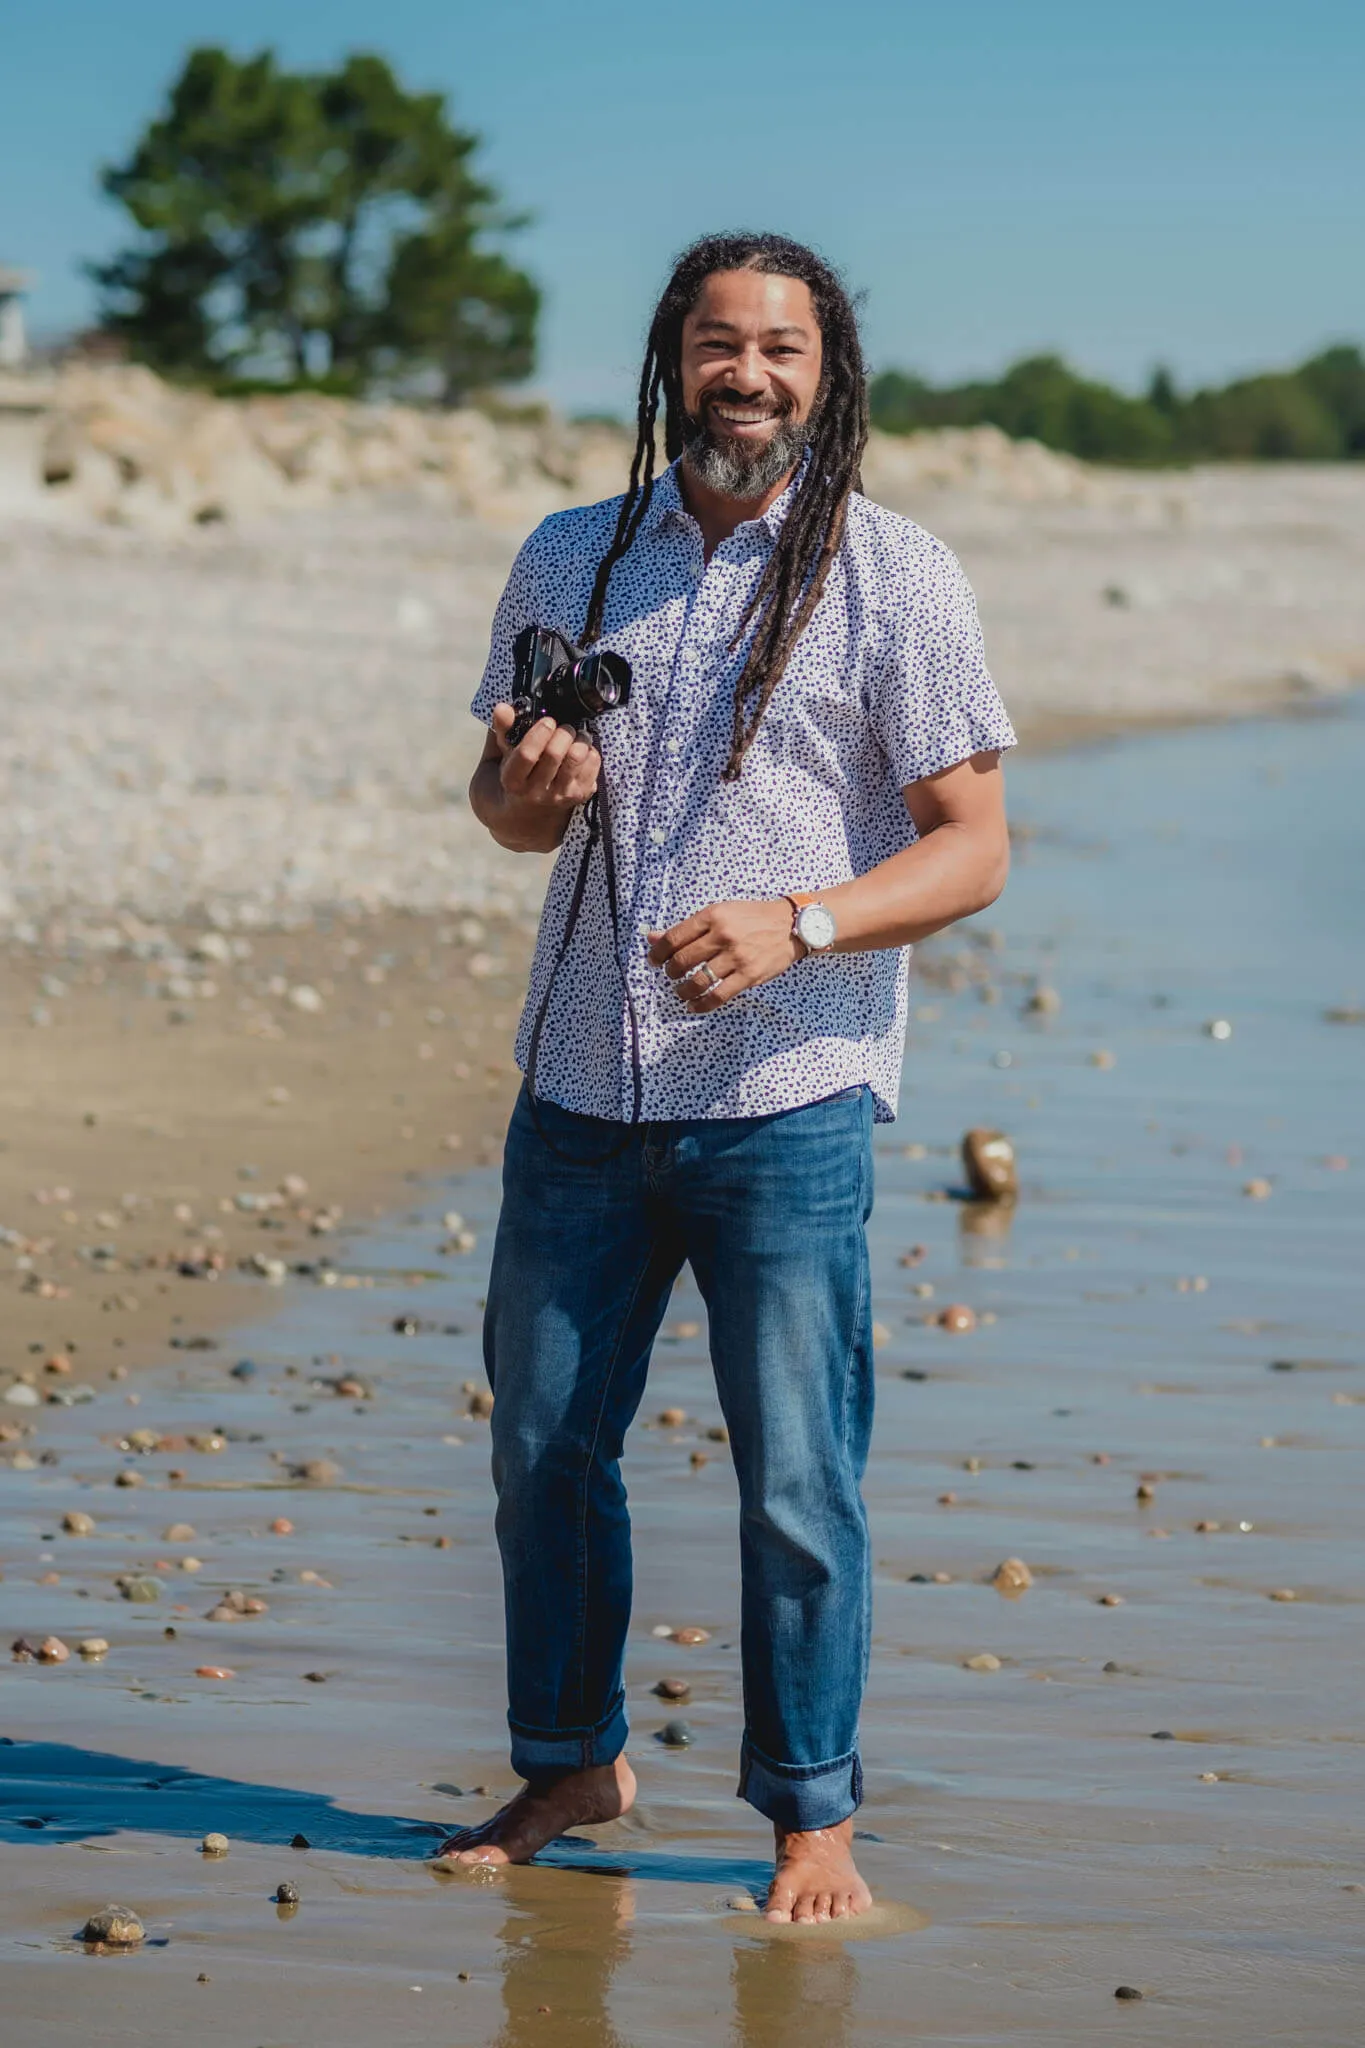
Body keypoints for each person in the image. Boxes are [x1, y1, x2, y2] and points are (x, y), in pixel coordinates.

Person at [437, 232, 1015, 1924]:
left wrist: (801, 921)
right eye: (716, 342)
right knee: (542, 1448)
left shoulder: (896, 575)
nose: (746, 375)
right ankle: (572, 1762)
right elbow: (502, 809)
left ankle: (810, 1820)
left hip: (791, 1100)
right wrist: (528, 794)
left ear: (827, 377)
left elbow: (975, 846)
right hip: (578, 1089)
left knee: (799, 1482)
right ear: (670, 360)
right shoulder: (571, 553)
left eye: (780, 348)